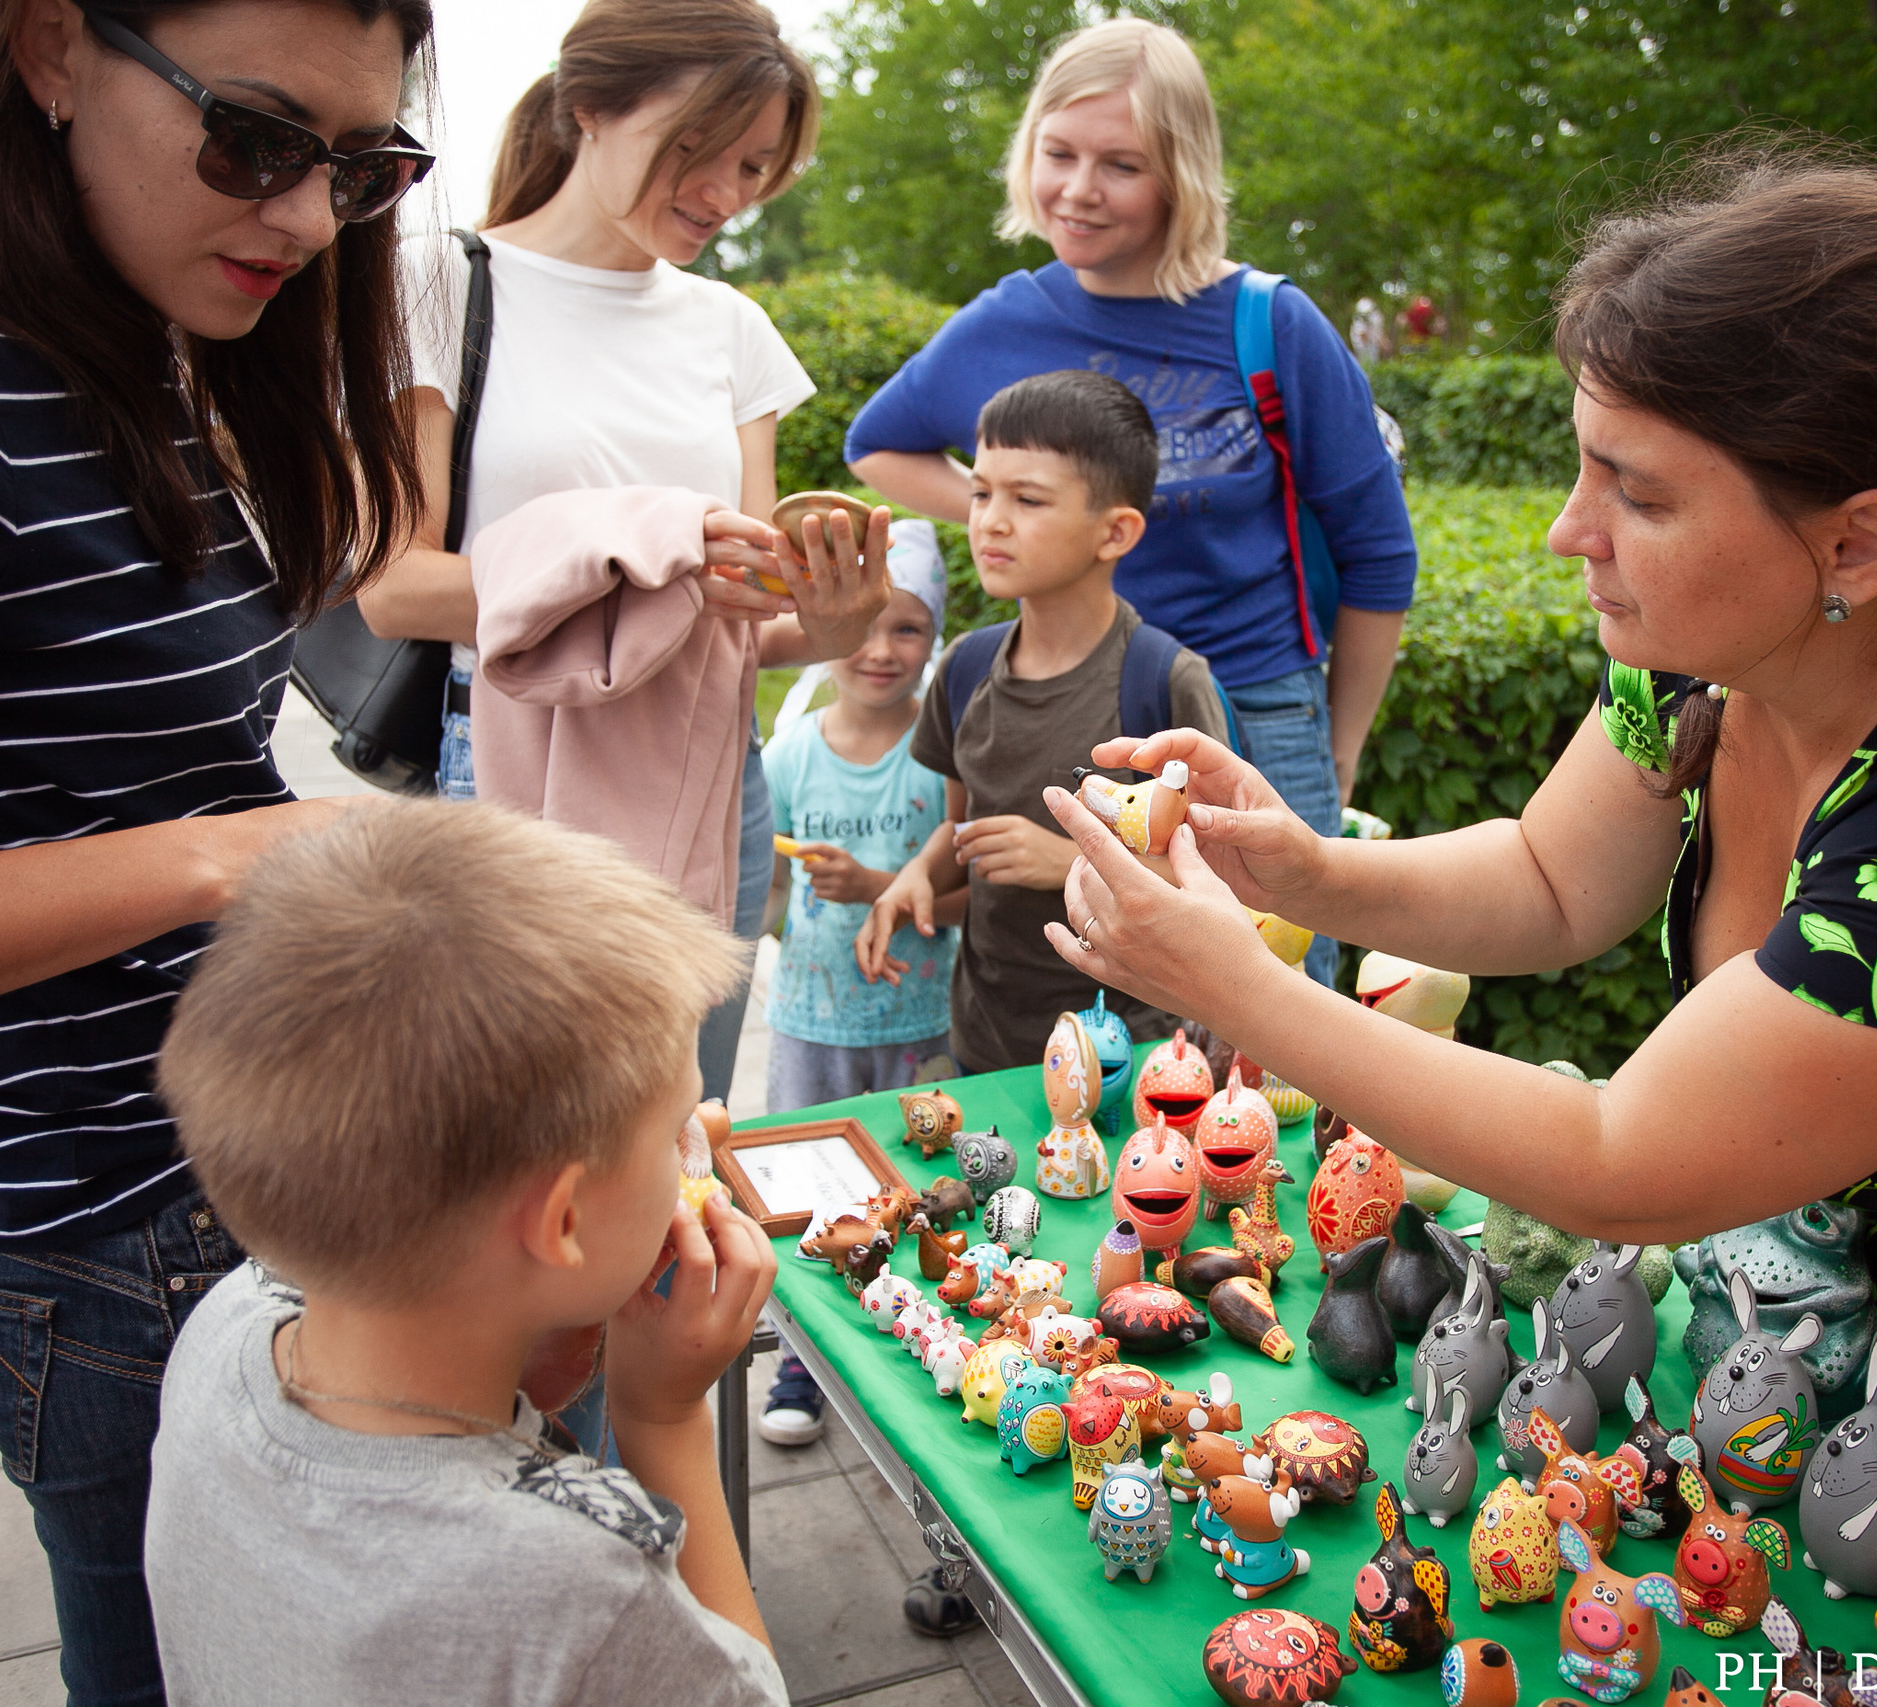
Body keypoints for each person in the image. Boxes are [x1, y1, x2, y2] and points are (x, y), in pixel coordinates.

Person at [1039, 151, 1877, 1479]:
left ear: (1861, 544)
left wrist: (1239, 986)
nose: (1565, 531)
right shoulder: (1729, 637)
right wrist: (1300, 872)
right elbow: (1548, 877)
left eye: (1638, 493)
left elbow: (1624, 1156)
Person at [0, 0, 435, 1695]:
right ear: (54, 50)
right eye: (256, 140)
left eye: (358, 170)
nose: (300, 216)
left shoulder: (132, 342)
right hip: (98, 1243)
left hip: (249, 1180)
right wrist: (218, 858)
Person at [356, 0, 888, 1102]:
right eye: (699, 150)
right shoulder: (437, 278)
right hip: (509, 761)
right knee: (520, 1124)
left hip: (710, 769)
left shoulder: (732, 330)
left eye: (755, 168)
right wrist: (636, 558)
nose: (726, 195)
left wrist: (836, 616)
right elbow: (394, 589)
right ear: (589, 105)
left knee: (680, 1123)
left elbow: (750, 613)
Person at [146, 799, 782, 1707]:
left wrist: (541, 1360)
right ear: (560, 1223)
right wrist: (663, 1419)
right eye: (675, 1126)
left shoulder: (222, 1332)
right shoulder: (584, 1587)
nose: (699, 1136)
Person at [841, 18, 1412, 987]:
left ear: (1181, 175)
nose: (1075, 189)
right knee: (1076, 1019)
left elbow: (1378, 556)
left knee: (1271, 1031)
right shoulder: (1006, 318)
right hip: (1077, 727)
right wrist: (1023, 508)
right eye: (1057, 154)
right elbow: (875, 446)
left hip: (1255, 718)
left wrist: (1338, 747)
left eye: (1120, 164)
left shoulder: (1270, 325)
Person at [853, 369, 1230, 1076]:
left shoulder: (1164, 684)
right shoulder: (965, 667)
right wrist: (918, 874)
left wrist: (1067, 860)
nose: (990, 519)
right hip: (986, 1042)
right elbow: (962, 828)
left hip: (1133, 1052)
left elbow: (1218, 888)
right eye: (981, 491)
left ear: (1115, 531)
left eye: (1027, 499)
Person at [763, 539, 962, 1112]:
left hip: (922, 1022)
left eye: (907, 629)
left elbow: (976, 901)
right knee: (803, 1176)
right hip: (809, 1025)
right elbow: (773, 889)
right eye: (859, 627)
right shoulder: (788, 756)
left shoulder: (944, 758)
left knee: (921, 1184)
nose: (880, 650)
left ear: (935, 637)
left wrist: (876, 888)